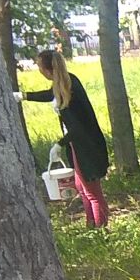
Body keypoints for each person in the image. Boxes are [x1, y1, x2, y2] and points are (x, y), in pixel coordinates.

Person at [23, 50, 110, 227]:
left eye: (39, 66)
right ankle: (91, 226)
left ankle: (100, 230)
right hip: (77, 144)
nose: (39, 70)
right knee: (82, 188)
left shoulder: (68, 88)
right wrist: (24, 96)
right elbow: (49, 95)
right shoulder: (66, 81)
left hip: (86, 146)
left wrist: (58, 144)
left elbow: (77, 127)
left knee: (92, 192)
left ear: (48, 70)